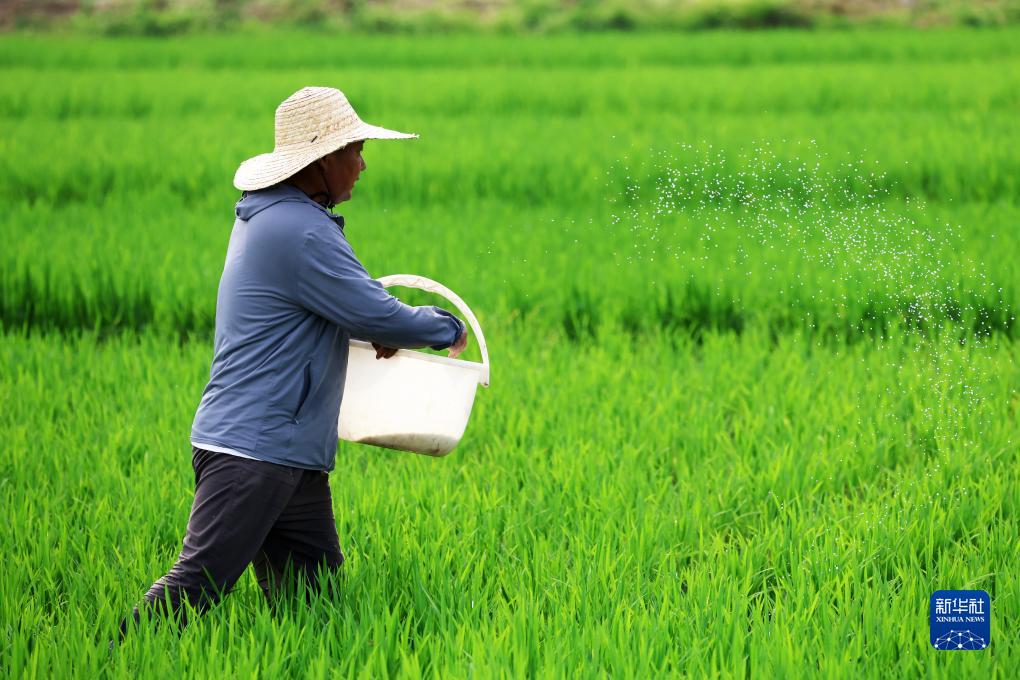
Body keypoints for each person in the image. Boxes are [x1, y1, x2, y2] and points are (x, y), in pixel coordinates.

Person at [119, 86, 467, 636]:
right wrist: (448, 327)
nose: (363, 164)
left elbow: (338, 305)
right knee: (197, 585)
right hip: (254, 450)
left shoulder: (277, 218)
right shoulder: (300, 230)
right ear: (322, 159)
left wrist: (366, 322)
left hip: (288, 452)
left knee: (314, 604)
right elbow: (376, 311)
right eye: (355, 150)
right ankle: (113, 656)